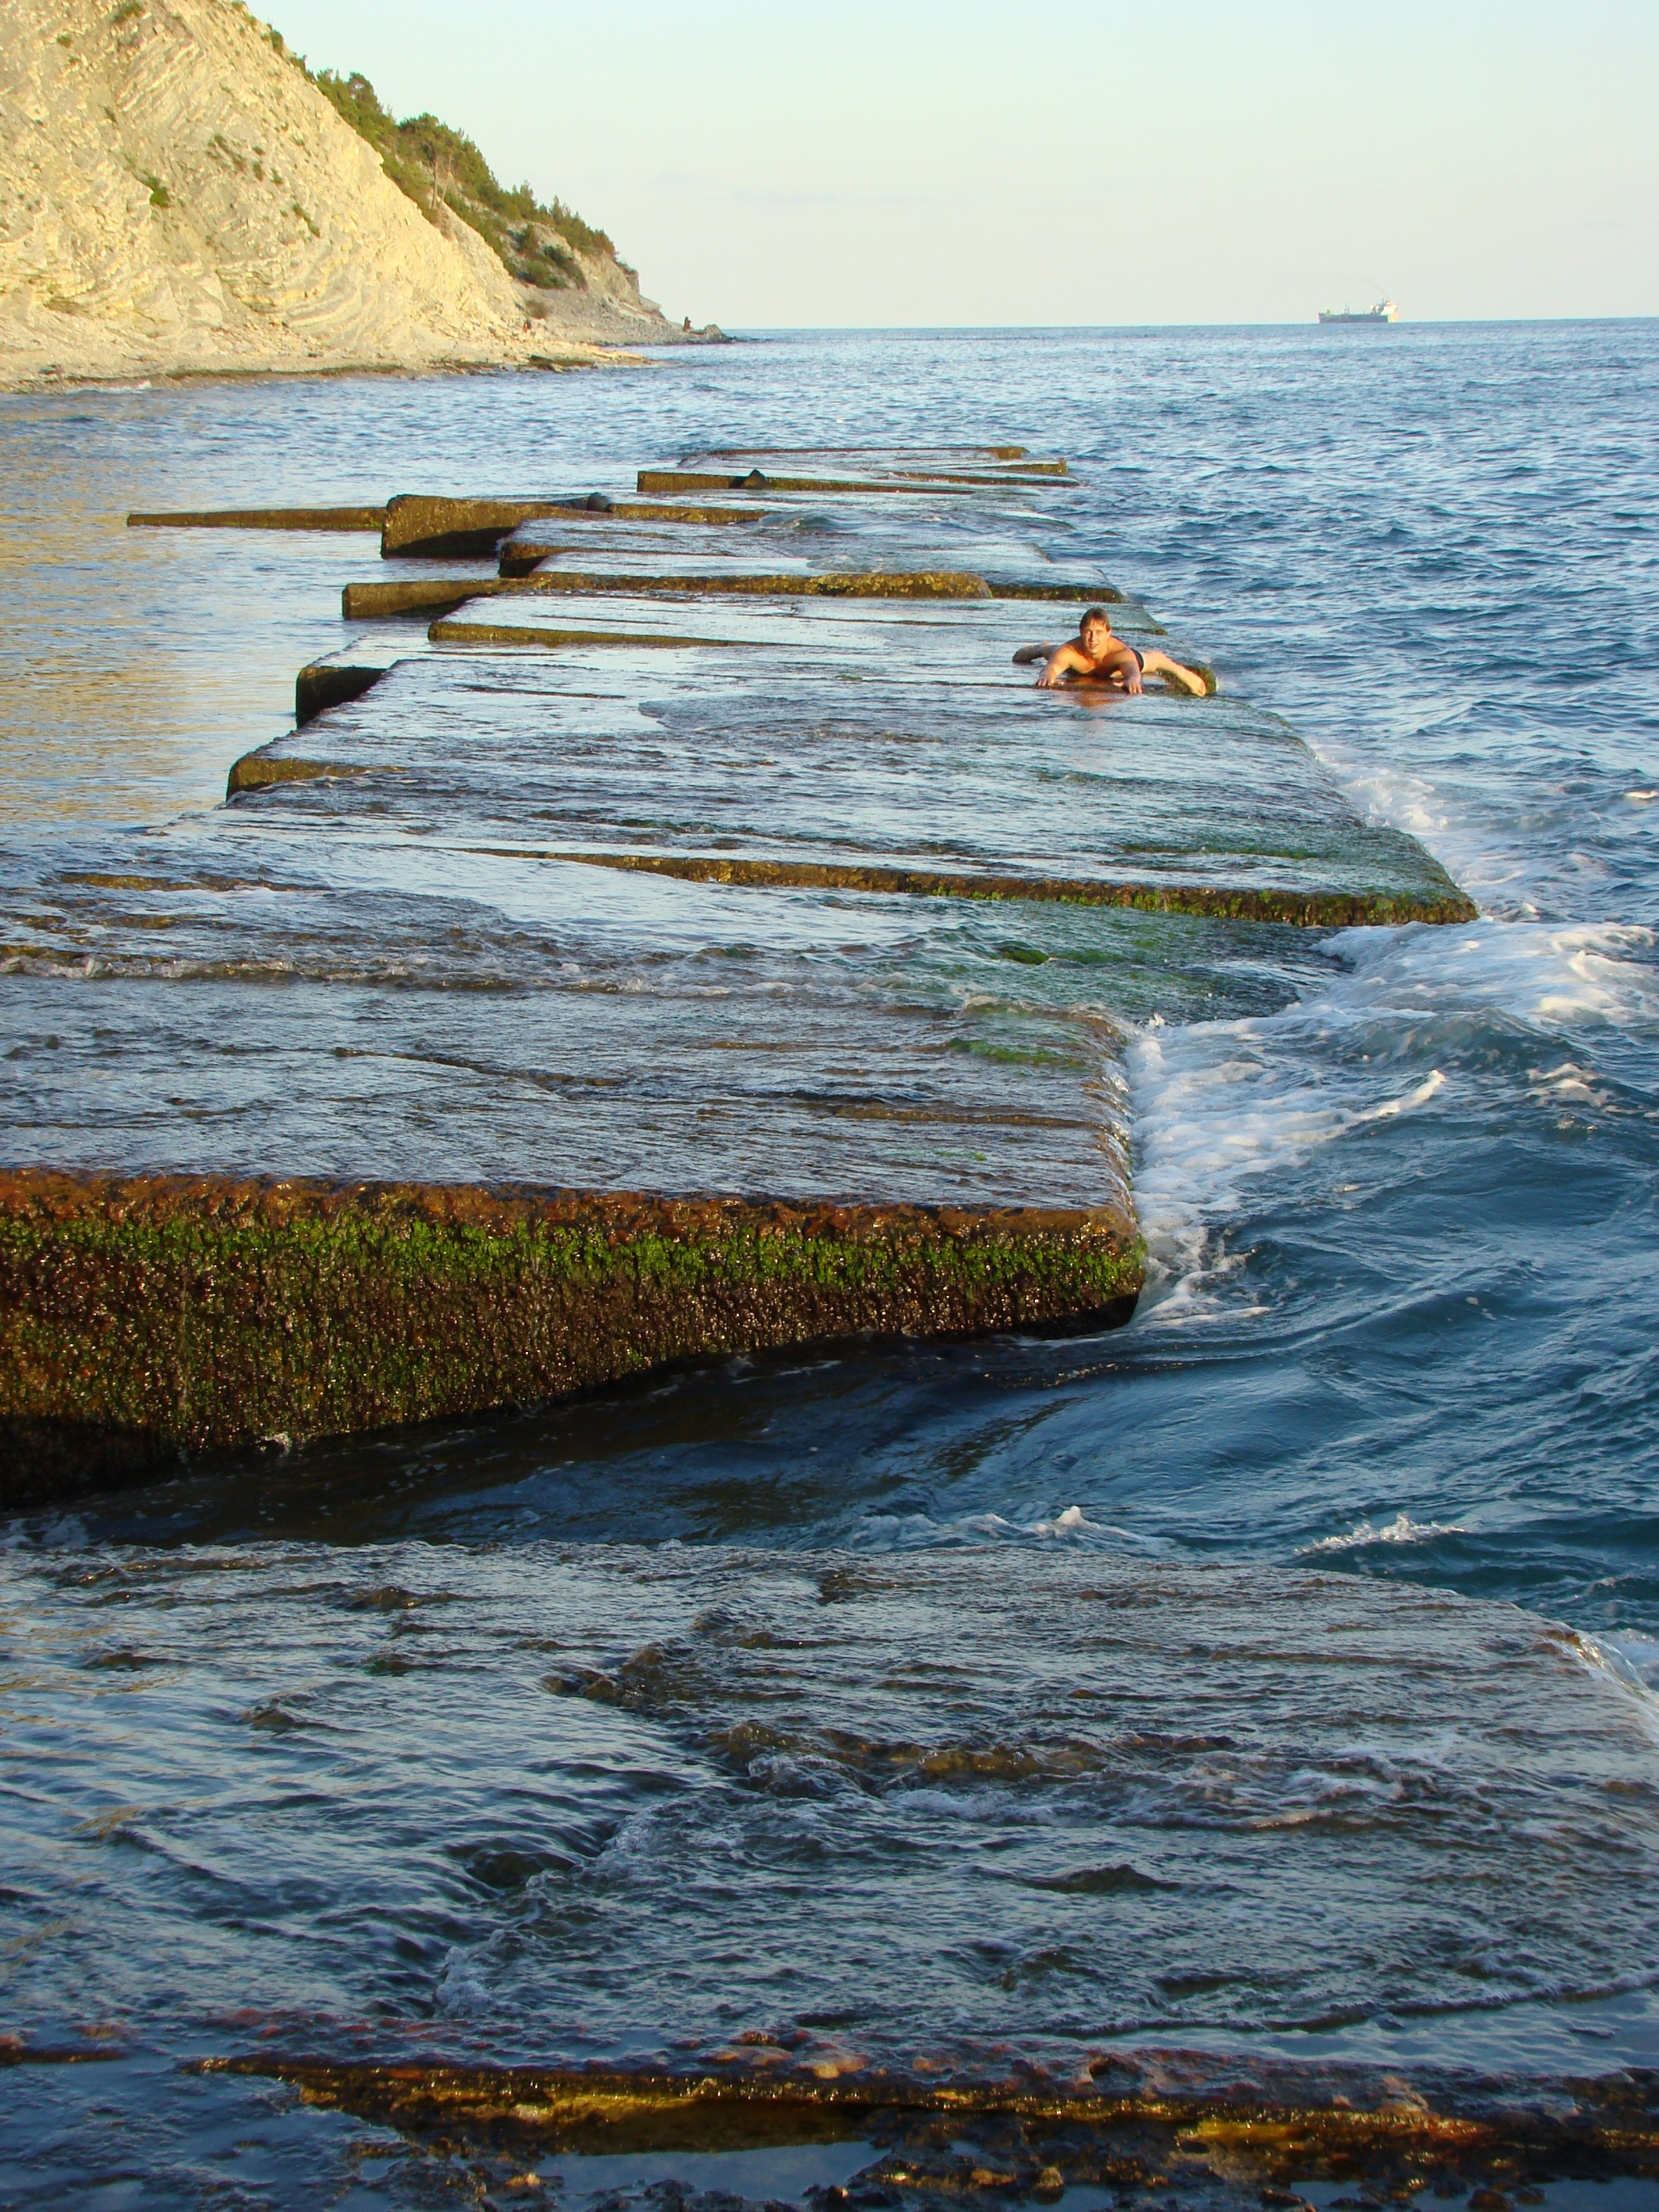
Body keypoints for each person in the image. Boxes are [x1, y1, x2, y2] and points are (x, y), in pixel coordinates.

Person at [1026, 607, 1208, 695]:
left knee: (1153, 661)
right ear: (1081, 632)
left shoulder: (1120, 652)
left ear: (1108, 633)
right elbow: (1052, 667)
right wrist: (1047, 675)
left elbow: (1133, 672)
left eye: (1099, 633)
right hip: (1079, 661)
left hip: (1114, 665)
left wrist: (1133, 680)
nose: (1093, 639)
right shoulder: (1070, 650)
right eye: (1088, 633)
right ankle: (1042, 646)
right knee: (1053, 653)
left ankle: (1180, 671)